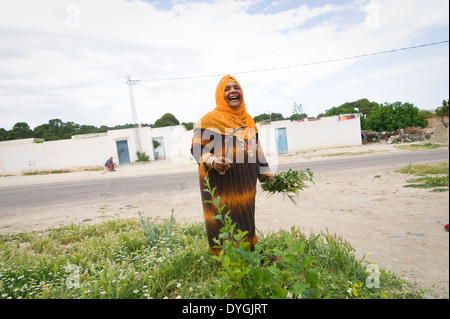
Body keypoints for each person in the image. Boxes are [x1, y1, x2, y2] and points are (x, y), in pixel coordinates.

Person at [191, 74, 274, 256]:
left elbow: (256, 149)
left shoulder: (248, 120)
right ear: (220, 95)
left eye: (235, 87)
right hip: (220, 185)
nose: (232, 91)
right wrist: (212, 161)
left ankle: (249, 253)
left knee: (244, 215)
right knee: (224, 218)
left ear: (241, 92)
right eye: (227, 89)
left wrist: (265, 174)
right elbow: (197, 149)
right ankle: (227, 261)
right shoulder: (209, 121)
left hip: (245, 185)